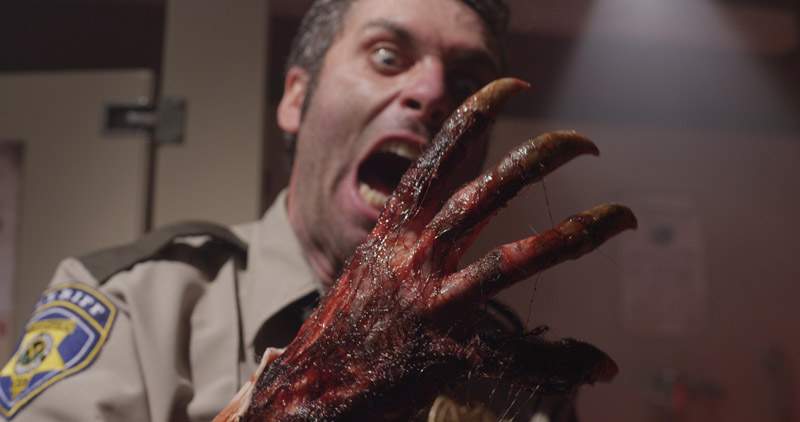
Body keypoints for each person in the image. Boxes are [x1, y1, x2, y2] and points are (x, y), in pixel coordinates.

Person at [1, 0, 574, 420]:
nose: (433, 94)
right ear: (297, 97)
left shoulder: (509, 366)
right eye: (386, 55)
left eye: (468, 81)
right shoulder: (133, 303)